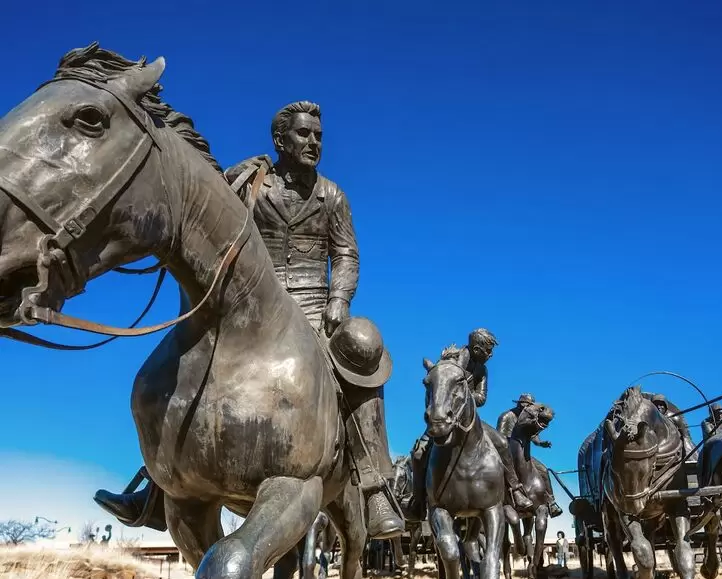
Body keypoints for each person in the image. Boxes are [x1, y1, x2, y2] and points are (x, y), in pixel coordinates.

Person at [94, 101, 404, 539]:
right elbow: (209, 217)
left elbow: (347, 254)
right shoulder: (254, 185)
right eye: (304, 134)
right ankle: (156, 487)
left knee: (366, 345)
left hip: (316, 304)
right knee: (181, 361)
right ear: (280, 140)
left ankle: (373, 484)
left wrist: (339, 298)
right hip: (254, 300)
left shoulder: (332, 196)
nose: (314, 142)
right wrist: (233, 180)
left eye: (318, 135)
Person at [405, 329, 535, 522]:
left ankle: (515, 490)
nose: (490, 355)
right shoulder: (450, 361)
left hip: (469, 418)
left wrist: (465, 397)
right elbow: (438, 385)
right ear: (477, 348)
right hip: (445, 417)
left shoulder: (482, 370)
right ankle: (418, 500)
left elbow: (481, 398)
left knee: (501, 442)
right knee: (417, 454)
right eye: (488, 351)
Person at [496, 394, 563, 517]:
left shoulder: (530, 417)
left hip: (522, 453)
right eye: (528, 405)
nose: (530, 408)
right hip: (506, 454)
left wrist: (540, 443)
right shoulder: (506, 416)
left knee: (543, 470)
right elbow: (500, 438)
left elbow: (533, 435)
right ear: (520, 404)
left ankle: (551, 501)